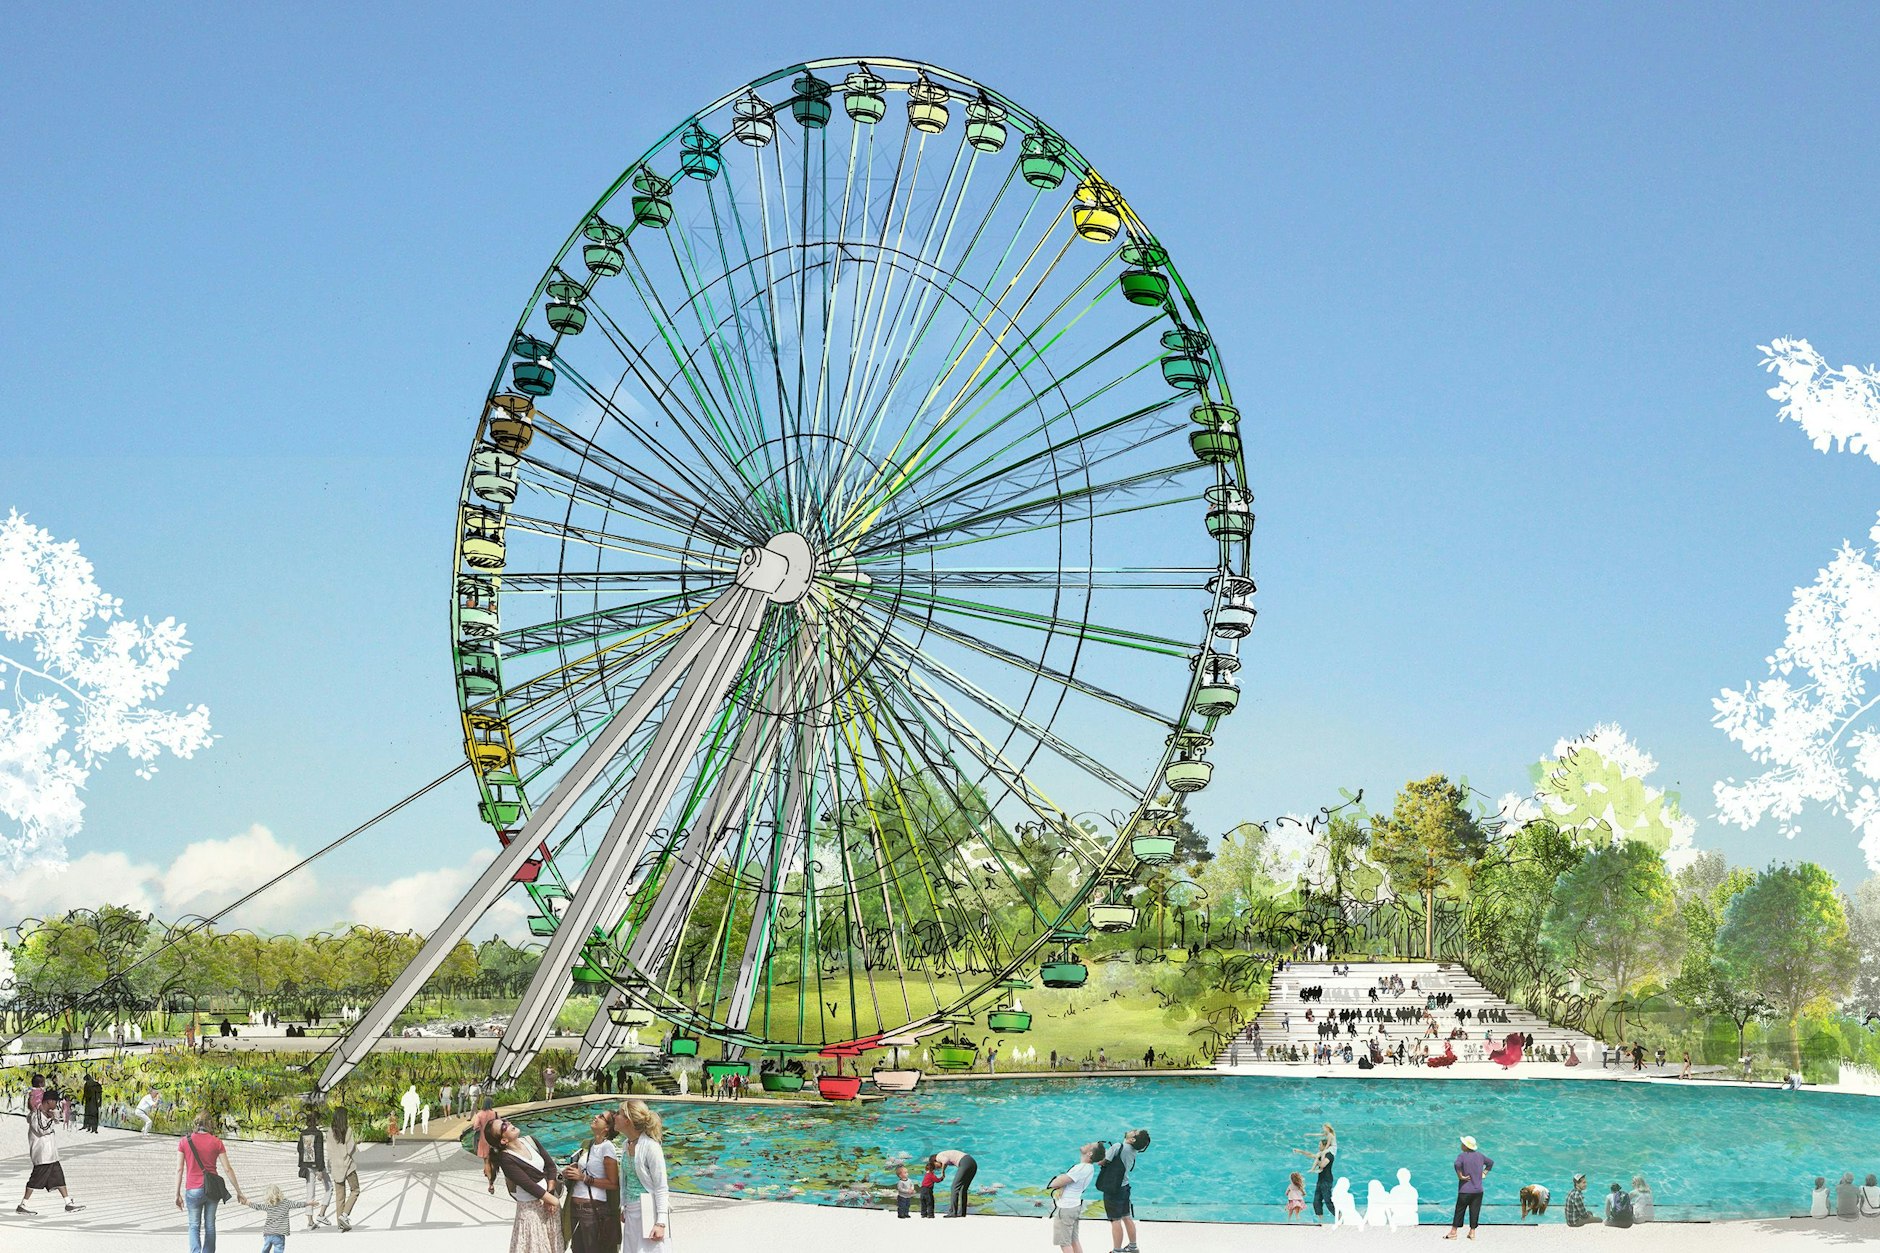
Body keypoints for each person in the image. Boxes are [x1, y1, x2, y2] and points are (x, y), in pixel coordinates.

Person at [486, 1114, 560, 1253]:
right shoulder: (506, 1159)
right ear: (503, 1140)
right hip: (531, 1211)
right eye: (503, 1126)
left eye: (505, 1121)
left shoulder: (530, 1141)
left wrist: (550, 1196)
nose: (508, 1123)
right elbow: (529, 1185)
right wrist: (553, 1200)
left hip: (548, 1204)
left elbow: (551, 1167)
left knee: (554, 1246)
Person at [177, 1111, 242, 1253]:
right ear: (209, 1123)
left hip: (193, 1190)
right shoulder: (216, 1142)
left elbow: (179, 1169)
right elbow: (227, 1169)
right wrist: (239, 1192)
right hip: (212, 1190)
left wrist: (177, 1194)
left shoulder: (184, 1141)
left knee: (194, 1225)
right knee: (210, 1225)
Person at [561, 1110, 620, 1253]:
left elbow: (613, 1183)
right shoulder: (589, 1145)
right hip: (575, 1209)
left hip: (592, 1211)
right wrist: (570, 1172)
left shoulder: (607, 1147)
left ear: (607, 1128)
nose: (596, 1117)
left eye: (601, 1117)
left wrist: (584, 1178)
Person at [617, 1098, 671, 1251]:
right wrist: (624, 1206)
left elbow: (661, 1187)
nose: (615, 1116)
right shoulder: (626, 1144)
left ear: (627, 1120)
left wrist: (661, 1222)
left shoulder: (651, 1147)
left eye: (619, 1113)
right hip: (631, 1211)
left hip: (648, 1211)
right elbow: (626, 1181)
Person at [17, 1099, 83, 1214]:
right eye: (55, 1102)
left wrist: (52, 1117)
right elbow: (42, 1130)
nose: (56, 1105)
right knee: (34, 1181)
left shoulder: (43, 1114)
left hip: (51, 1155)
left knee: (60, 1179)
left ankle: (68, 1203)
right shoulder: (36, 1115)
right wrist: (51, 1118)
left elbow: (53, 1123)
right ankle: (23, 1205)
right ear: (49, 1101)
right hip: (43, 1156)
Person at [1097, 1128, 1148, 1252]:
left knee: (1115, 1220)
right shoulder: (1133, 1150)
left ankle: (1117, 1250)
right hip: (1124, 1187)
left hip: (1113, 1189)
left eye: (1134, 1132)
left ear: (1132, 1139)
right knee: (1127, 1217)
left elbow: (1102, 1162)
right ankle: (1133, 1247)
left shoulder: (1117, 1147)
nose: (1133, 1130)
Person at [1046, 1142, 1102, 1253]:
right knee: (1074, 1240)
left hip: (1066, 1208)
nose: (1087, 1143)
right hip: (1074, 1206)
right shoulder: (1089, 1168)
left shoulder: (1080, 1168)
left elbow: (1054, 1183)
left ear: (1090, 1153)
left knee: (1064, 1243)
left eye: (1090, 1145)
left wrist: (1060, 1178)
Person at [1446, 1135, 1493, 1240]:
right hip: (1478, 1190)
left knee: (1459, 1210)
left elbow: (1457, 1164)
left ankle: (1453, 1232)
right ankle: (1472, 1233)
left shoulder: (1462, 1156)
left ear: (1465, 1146)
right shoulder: (1480, 1156)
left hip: (1465, 1190)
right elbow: (1490, 1163)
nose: (1461, 1145)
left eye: (1462, 1143)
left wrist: (1460, 1176)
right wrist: (1484, 1173)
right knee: (1475, 1211)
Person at [245, 1184, 314, 1253]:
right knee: (278, 1249)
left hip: (268, 1234)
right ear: (279, 1193)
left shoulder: (268, 1205)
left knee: (266, 1249)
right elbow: (297, 1204)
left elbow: (257, 1206)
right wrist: (309, 1203)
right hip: (279, 1235)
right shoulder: (286, 1203)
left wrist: (247, 1202)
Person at [296, 1107, 330, 1229]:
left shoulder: (303, 1133)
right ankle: (321, 1214)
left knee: (310, 1193)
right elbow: (319, 1152)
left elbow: (299, 1149)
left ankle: (310, 1222)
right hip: (317, 1166)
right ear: (317, 1121)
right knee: (329, 1188)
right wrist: (320, 1169)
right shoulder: (318, 1133)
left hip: (307, 1166)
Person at [1295, 1124, 1336, 1221]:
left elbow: (1323, 1165)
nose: (1318, 1146)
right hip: (1320, 1180)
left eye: (1320, 1145)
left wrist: (1317, 1162)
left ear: (1324, 1146)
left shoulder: (1329, 1155)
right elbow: (1310, 1155)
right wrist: (1300, 1151)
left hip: (1326, 1180)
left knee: (1328, 1201)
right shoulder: (1320, 1154)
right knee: (1316, 1201)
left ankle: (1340, 1217)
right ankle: (1321, 1221)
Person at [329, 1108, 361, 1232]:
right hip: (348, 1166)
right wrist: (356, 1143)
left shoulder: (330, 1132)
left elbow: (329, 1150)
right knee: (355, 1190)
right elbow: (350, 1149)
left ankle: (340, 1226)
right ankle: (344, 1215)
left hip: (336, 1166)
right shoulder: (348, 1130)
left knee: (339, 1197)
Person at [934, 1147, 976, 1217]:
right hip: (972, 1163)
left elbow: (945, 1161)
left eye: (934, 1165)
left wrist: (942, 1172)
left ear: (935, 1161)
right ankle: (962, 1213)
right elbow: (946, 1161)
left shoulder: (938, 1156)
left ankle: (953, 1212)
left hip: (965, 1162)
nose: (936, 1168)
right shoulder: (945, 1154)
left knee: (954, 1187)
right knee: (963, 1189)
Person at [473, 1097, 500, 1193]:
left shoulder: (479, 1115)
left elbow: (475, 1127)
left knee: (486, 1161)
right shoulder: (495, 1114)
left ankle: (490, 1183)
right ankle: (491, 1173)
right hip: (494, 1140)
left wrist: (481, 1127)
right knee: (493, 1160)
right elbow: (500, 1124)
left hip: (484, 1140)